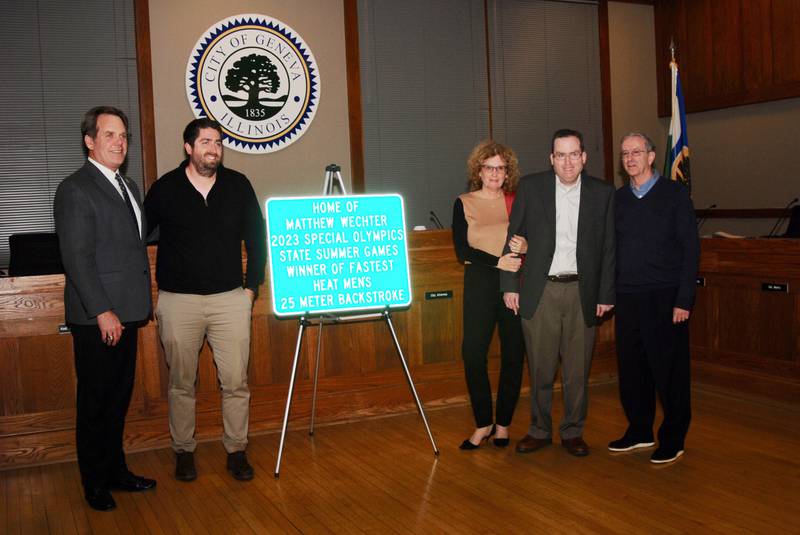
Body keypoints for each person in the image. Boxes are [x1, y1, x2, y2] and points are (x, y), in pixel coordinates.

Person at [144, 118, 266, 481]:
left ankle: (237, 449)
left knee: (236, 382)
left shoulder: (238, 185)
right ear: (189, 147)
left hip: (230, 299)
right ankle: (183, 451)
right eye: (206, 142)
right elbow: (136, 238)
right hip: (178, 302)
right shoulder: (165, 188)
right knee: (182, 383)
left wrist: (250, 289)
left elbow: (257, 239)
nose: (213, 148)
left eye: (218, 142)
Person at [54, 106, 155, 511]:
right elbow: (77, 258)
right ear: (89, 141)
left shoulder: (127, 185)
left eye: (124, 135)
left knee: (117, 400)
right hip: (99, 318)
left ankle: (116, 471)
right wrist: (102, 311)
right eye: (110, 134)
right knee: (95, 403)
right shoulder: (75, 188)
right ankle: (94, 483)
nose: (120, 142)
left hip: (127, 313)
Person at [501, 129, 615, 457]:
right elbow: (513, 236)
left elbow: (609, 248)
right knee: (540, 366)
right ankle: (538, 429)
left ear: (584, 157)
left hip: (583, 292)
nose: (567, 161)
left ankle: (573, 431)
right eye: (560, 155)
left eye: (573, 154)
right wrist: (509, 285)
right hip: (541, 291)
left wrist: (605, 293)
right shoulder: (533, 188)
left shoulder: (602, 193)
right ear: (551, 159)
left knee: (577, 370)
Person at [609, 132, 699, 464]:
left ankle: (673, 438)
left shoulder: (674, 194)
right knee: (633, 371)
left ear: (651, 156)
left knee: (670, 373)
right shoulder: (618, 200)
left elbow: (691, 249)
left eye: (636, 152)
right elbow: (611, 251)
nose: (630, 158)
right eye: (624, 154)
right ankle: (639, 430)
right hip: (628, 296)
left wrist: (684, 299)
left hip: (666, 298)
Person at [452, 140, 526, 449]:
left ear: (507, 171)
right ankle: (483, 423)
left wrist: (527, 247)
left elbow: (536, 239)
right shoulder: (464, 202)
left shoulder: (517, 201)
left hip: (514, 284)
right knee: (472, 353)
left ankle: (504, 424)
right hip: (480, 282)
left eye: (500, 167)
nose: (495, 173)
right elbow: (462, 249)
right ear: (479, 170)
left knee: (513, 354)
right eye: (489, 167)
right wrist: (496, 261)